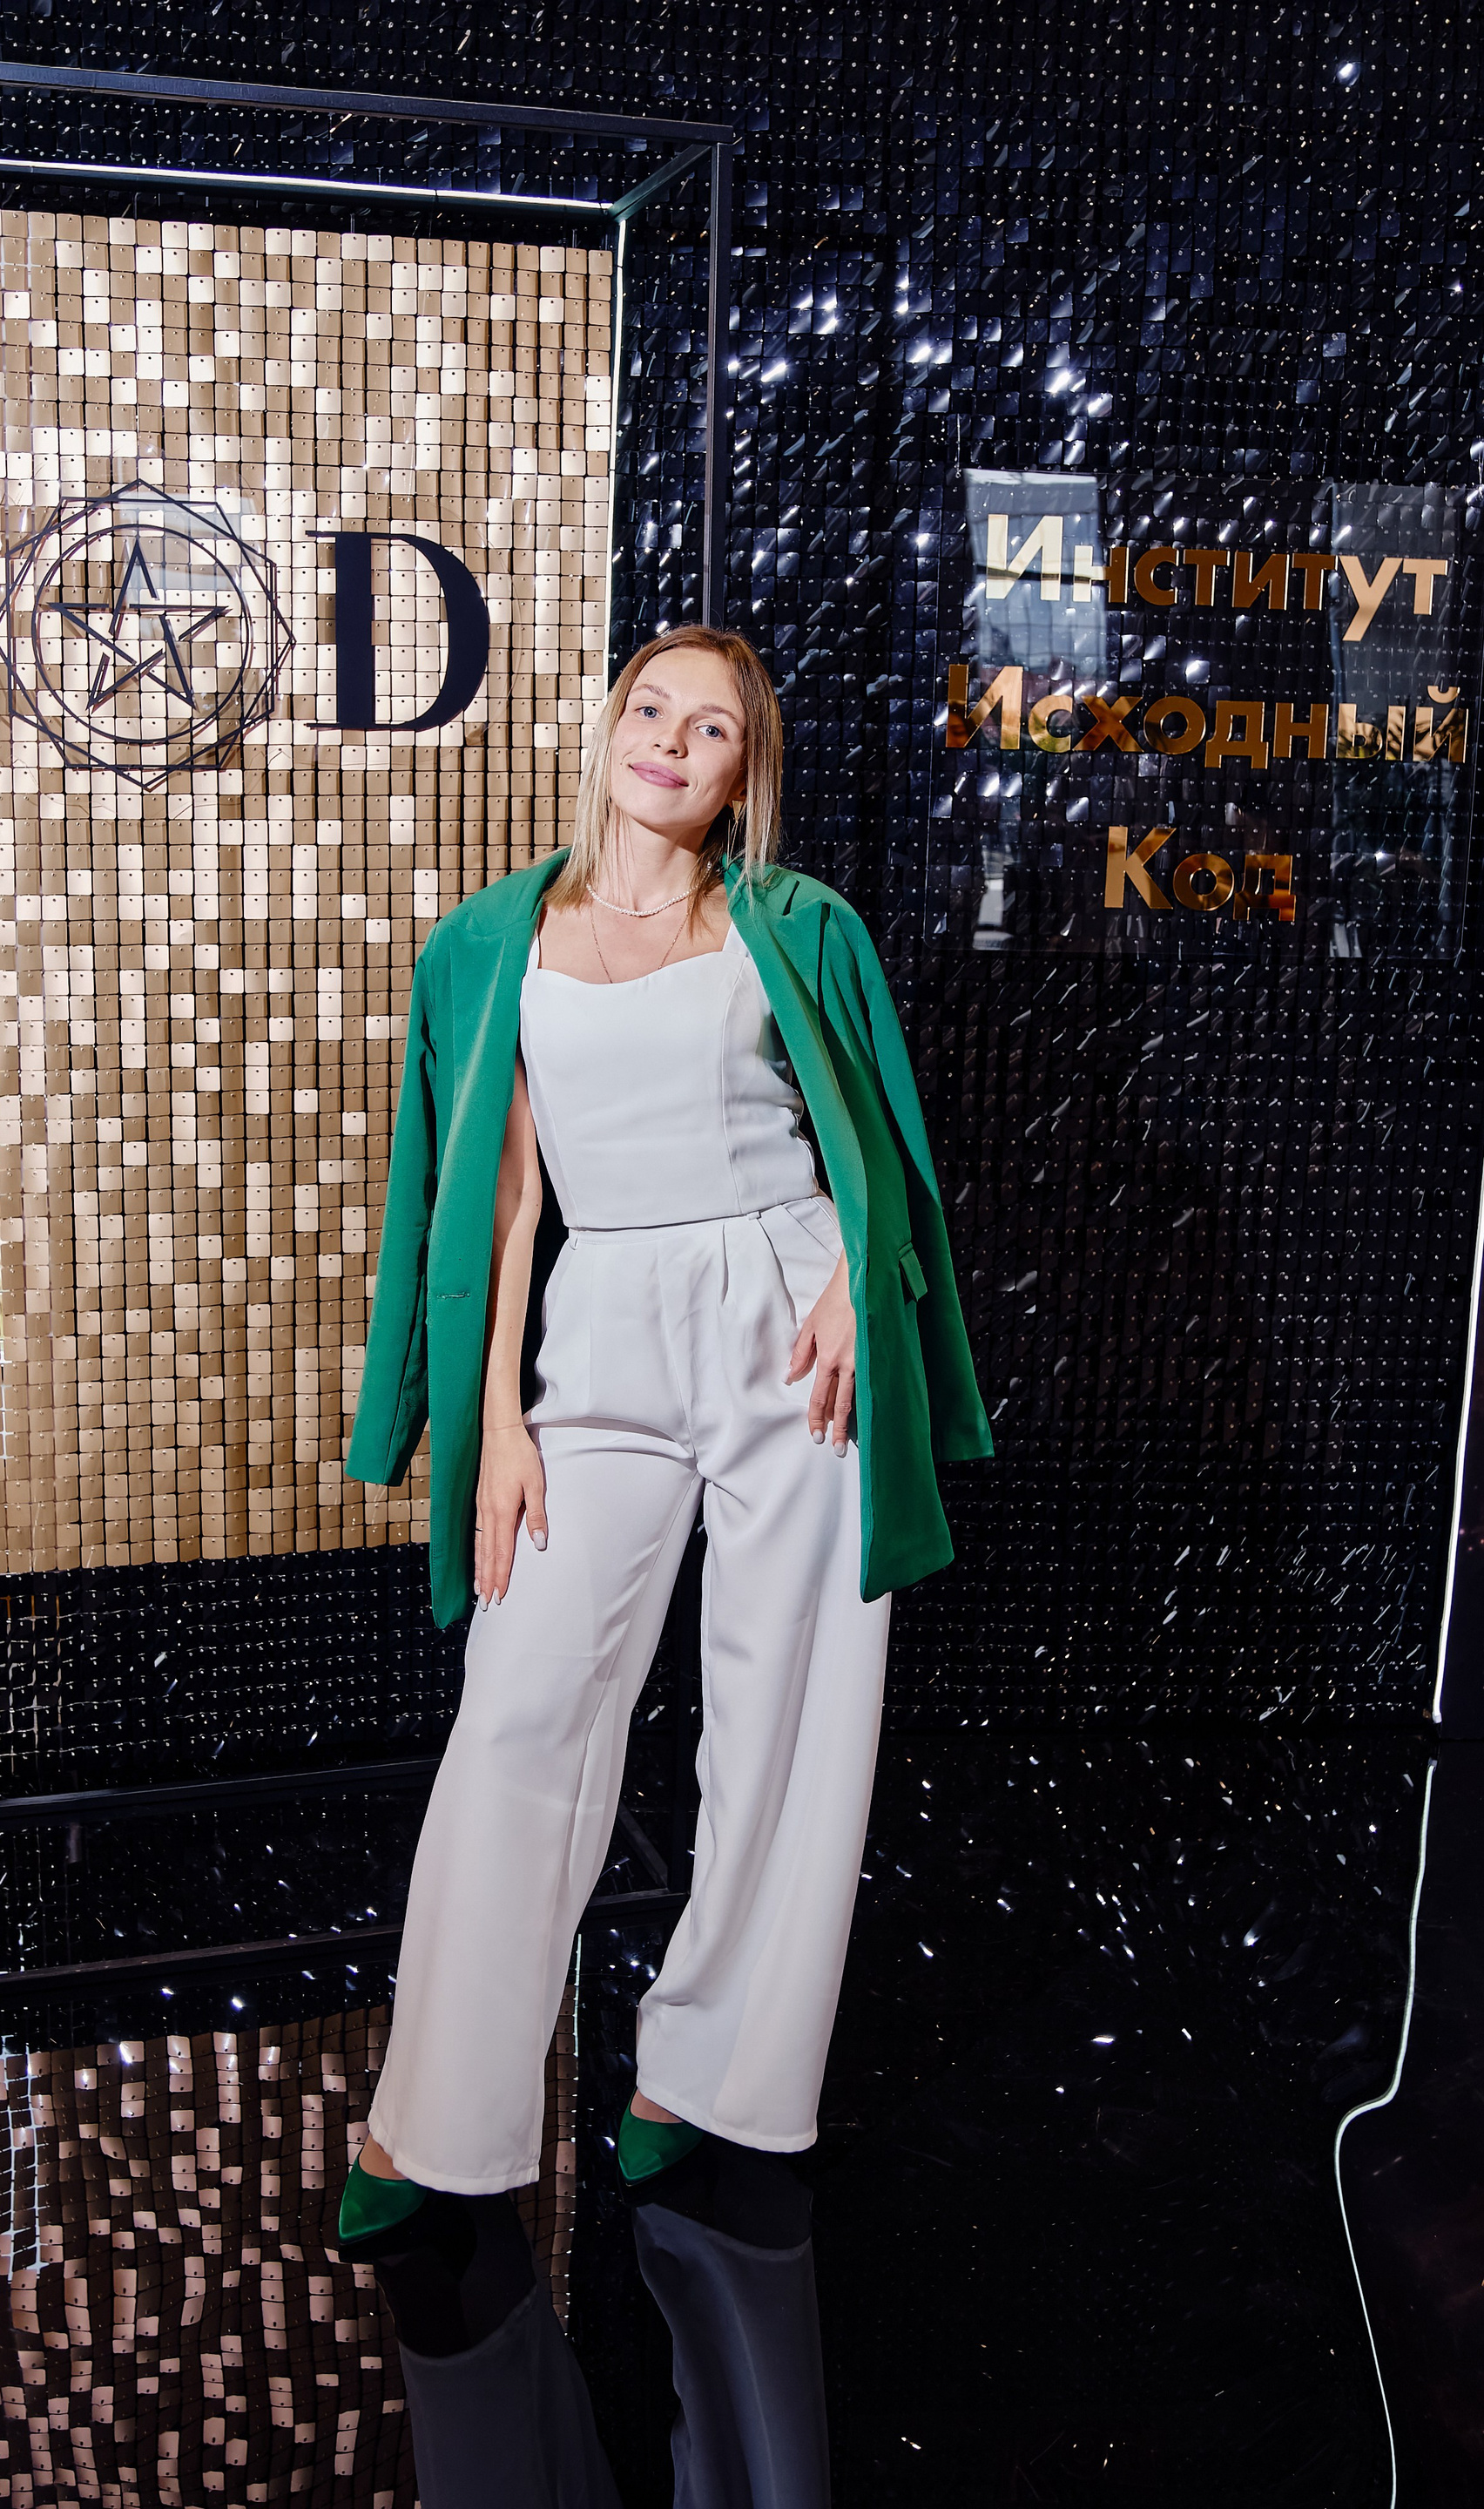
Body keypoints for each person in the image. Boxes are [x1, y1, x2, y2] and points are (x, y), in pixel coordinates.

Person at [334, 624, 990, 2246]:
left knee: (791, 1715)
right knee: (523, 1710)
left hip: (790, 1315)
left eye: (711, 728)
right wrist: (498, 1420)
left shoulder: (796, 925)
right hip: (608, 1320)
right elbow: (499, 1198)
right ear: (609, 725)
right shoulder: (492, 942)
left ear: (742, 771)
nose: (671, 744)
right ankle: (436, 2116)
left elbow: (870, 1136)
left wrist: (857, 1282)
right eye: (651, 710)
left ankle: (709, 2079)